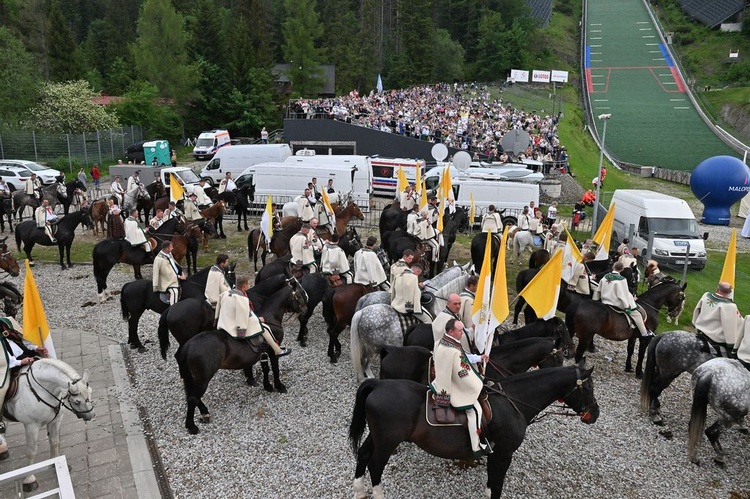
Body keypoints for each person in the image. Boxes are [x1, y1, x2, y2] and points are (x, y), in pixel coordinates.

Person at [430, 319, 491, 458]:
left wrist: (478, 358)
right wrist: (476, 383)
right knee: (475, 410)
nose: (462, 333)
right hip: (450, 384)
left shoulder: (442, 342)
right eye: (460, 330)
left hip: (448, 378)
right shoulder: (450, 350)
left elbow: (463, 357)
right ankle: (475, 447)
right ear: (451, 331)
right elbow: (458, 372)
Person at [215, 276, 290, 357]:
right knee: (265, 328)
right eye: (248, 284)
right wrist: (258, 320)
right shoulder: (242, 299)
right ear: (244, 286)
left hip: (224, 322)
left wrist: (216, 320)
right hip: (233, 325)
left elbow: (218, 307)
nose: (249, 285)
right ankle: (277, 350)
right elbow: (245, 316)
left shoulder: (225, 293)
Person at [597, 261, 653, 337]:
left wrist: (595, 300)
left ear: (613, 267)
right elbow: (623, 294)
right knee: (637, 314)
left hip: (604, 300)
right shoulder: (622, 279)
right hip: (615, 303)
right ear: (622, 269)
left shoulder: (606, 276)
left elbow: (599, 289)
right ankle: (644, 333)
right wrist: (628, 305)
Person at [693, 282, 743, 355]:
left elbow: (697, 310)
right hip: (716, 339)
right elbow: (729, 327)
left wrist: (694, 323)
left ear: (718, 289)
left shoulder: (706, 295)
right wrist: (731, 345)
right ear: (730, 292)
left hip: (701, 332)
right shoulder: (730, 306)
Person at [152, 241, 186, 306]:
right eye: (171, 247)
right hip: (167, 280)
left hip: (174, 276)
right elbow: (166, 273)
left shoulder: (169, 254)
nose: (173, 248)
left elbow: (174, 264)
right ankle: (173, 308)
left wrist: (180, 271)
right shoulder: (159, 259)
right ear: (166, 248)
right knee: (174, 292)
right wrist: (179, 277)